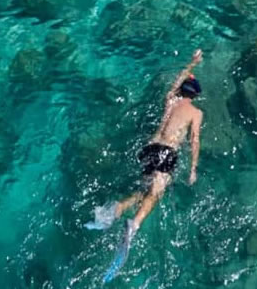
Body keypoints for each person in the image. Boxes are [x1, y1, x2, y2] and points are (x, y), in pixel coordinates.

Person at [85, 49, 205, 282]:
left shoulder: (171, 100)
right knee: (156, 196)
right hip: (168, 151)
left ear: (181, 90)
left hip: (149, 150)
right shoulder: (195, 112)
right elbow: (195, 140)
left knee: (147, 191)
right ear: (196, 95)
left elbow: (177, 80)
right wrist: (193, 168)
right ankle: (134, 225)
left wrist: (191, 64)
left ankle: (117, 209)